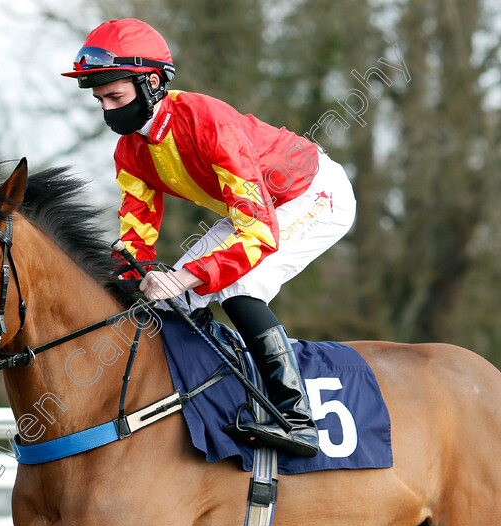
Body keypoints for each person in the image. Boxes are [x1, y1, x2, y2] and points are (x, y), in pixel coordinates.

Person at [61, 18, 356, 458]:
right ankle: (212, 395)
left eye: (115, 97)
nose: (107, 110)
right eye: (100, 100)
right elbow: (136, 235)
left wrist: (184, 277)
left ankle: (297, 419)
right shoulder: (129, 151)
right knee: (171, 301)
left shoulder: (209, 123)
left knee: (239, 285)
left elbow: (257, 231)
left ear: (152, 84)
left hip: (312, 195)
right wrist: (128, 280)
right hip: (255, 207)